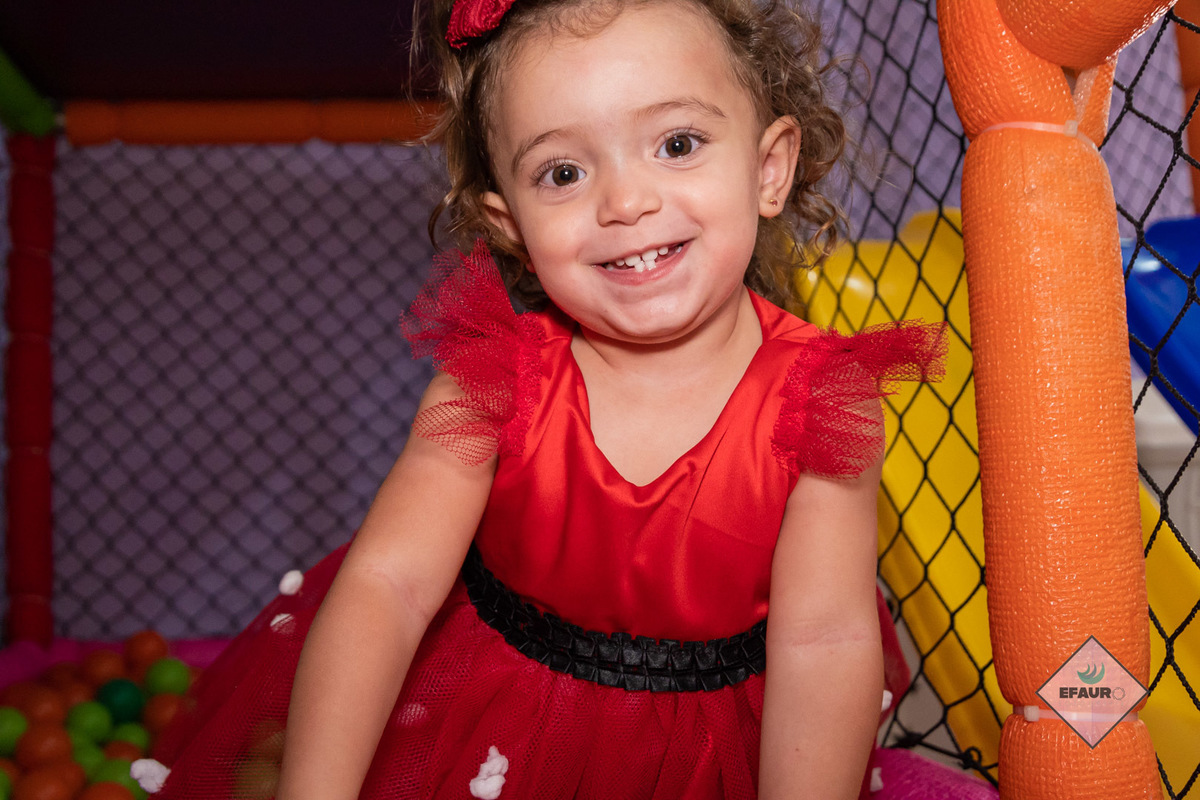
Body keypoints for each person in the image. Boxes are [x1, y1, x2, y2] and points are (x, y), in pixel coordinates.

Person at [147, 0, 945, 797]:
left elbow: (823, 642)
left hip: (709, 758)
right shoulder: (495, 379)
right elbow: (388, 587)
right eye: (563, 173)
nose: (626, 202)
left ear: (768, 168)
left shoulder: (818, 399)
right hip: (490, 733)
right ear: (510, 226)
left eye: (677, 144)